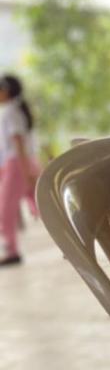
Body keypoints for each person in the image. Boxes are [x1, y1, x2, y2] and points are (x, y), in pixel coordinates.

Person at [0, 73, 39, 267]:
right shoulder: (14, 110)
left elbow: (17, 141)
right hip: (20, 163)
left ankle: (12, 251)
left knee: (5, 210)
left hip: (18, 164)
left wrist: (25, 172)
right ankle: (73, 239)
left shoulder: (9, 111)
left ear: (5, 91)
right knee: (41, 204)